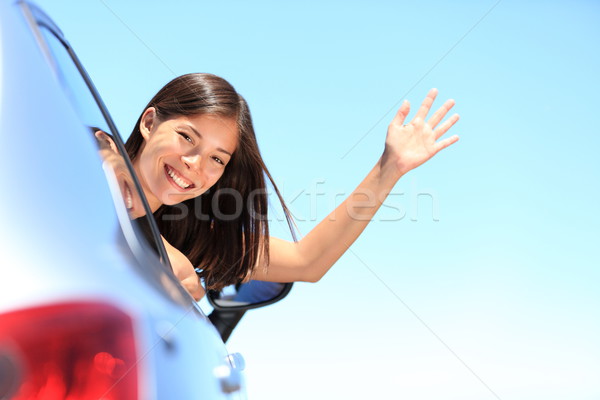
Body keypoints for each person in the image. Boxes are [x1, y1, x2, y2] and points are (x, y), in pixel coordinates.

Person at [123, 73, 459, 300]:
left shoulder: (197, 235)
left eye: (217, 159)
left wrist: (390, 168)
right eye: (186, 137)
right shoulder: (91, 157)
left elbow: (306, 262)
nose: (194, 164)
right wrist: (164, 256)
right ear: (150, 123)